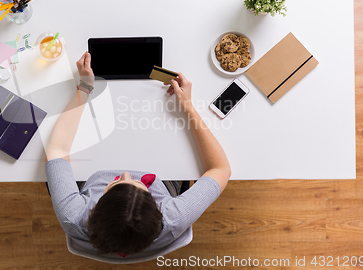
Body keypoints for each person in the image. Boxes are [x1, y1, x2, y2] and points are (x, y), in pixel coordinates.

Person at [45, 51, 231, 257]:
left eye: (116, 184)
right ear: (158, 209)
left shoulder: (73, 216)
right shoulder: (173, 219)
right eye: (138, 184)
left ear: (94, 210)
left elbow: (57, 149)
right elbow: (220, 168)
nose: (125, 173)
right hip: (164, 175)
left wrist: (85, 86)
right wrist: (187, 104)